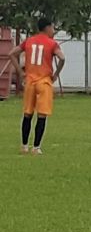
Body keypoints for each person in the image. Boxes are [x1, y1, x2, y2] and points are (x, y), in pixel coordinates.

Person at [12, 18, 65, 154]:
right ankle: (36, 147)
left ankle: (24, 146)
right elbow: (62, 58)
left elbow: (11, 53)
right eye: (52, 28)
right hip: (44, 82)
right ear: (47, 28)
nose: (53, 31)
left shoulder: (29, 41)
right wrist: (56, 74)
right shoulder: (52, 43)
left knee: (27, 114)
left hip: (30, 81)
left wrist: (20, 72)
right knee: (42, 115)